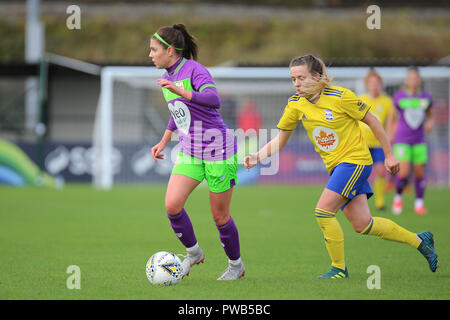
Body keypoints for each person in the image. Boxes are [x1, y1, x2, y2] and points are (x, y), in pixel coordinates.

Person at [244, 54, 438, 278]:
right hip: (337, 168)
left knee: (323, 211)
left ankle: (338, 269)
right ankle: (419, 240)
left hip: (355, 162)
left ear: (317, 76)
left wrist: (389, 155)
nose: (297, 83)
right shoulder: (295, 104)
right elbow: (280, 139)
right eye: (293, 79)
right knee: (363, 224)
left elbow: (372, 120)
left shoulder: (340, 97)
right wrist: (257, 156)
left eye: (301, 78)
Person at [149, 24, 244, 280]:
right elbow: (178, 112)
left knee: (220, 216)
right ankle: (194, 253)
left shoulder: (194, 70)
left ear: (170, 50)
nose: (150, 55)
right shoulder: (167, 77)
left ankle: (236, 266)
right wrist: (164, 139)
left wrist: (182, 91)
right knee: (172, 206)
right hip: (191, 151)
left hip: (218, 150)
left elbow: (214, 100)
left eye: (154, 49)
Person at [391, 67, 434, 215]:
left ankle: (419, 203)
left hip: (419, 140)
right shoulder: (400, 96)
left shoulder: (426, 98)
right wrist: (389, 133)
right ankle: (398, 197)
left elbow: (430, 115)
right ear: (407, 81)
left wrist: (430, 122)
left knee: (419, 173)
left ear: (419, 80)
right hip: (402, 140)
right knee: (403, 173)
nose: (413, 81)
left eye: (416, 78)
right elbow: (392, 116)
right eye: (410, 78)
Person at [358, 68, 394, 211]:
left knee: (380, 171)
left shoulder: (387, 101)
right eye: (371, 82)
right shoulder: (361, 99)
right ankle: (357, 200)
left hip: (378, 143)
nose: (374, 85)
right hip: (362, 142)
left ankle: (380, 201)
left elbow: (391, 121)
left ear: (380, 84)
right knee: (360, 172)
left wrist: (390, 135)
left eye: (376, 82)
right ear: (367, 84)